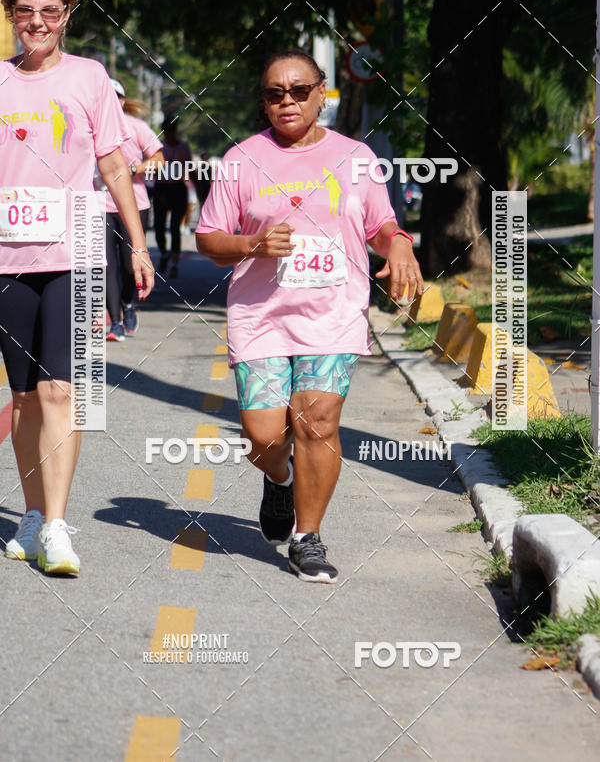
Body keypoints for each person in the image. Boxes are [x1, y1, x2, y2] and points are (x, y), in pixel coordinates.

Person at [195, 50, 423, 583]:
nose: (288, 101)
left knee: (317, 422)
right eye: (275, 93)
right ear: (264, 100)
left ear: (322, 93)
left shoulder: (355, 157)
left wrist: (401, 246)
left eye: (300, 90)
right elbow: (208, 238)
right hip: (261, 315)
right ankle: (278, 481)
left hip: (333, 310)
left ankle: (308, 535)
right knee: (265, 436)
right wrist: (252, 244)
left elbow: (381, 224)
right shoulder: (241, 159)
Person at [0, 0, 154, 575]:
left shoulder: (90, 78)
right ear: (12, 14)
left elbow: (115, 166)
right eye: (25, 10)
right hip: (7, 256)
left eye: (49, 11)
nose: (36, 22)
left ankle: (58, 526)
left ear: (66, 16)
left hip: (76, 254)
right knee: (24, 398)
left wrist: (137, 244)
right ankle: (32, 516)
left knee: (64, 389)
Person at [104, 79, 164, 341]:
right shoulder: (89, 127)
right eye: (107, 96)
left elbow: (159, 161)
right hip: (100, 206)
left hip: (134, 205)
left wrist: (132, 170)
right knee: (106, 266)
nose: (112, 101)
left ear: (123, 101)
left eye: (117, 96)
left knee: (130, 267)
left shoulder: (136, 127)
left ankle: (129, 305)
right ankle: (115, 322)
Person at [153, 118, 192, 277]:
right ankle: (163, 253)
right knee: (159, 227)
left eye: (172, 129)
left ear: (175, 130)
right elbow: (152, 168)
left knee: (175, 227)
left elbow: (190, 169)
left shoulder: (183, 147)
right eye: (166, 129)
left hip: (177, 189)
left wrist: (202, 191)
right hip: (161, 188)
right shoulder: (158, 147)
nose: (169, 133)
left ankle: (175, 264)